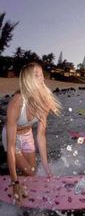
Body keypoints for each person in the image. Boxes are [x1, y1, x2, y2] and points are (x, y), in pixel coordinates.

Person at [1, 62, 61, 203]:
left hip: (27, 136)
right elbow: (10, 146)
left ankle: (24, 197)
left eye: (41, 75)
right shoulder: (17, 102)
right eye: (36, 75)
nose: (42, 79)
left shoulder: (44, 101)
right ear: (28, 79)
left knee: (32, 173)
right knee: (30, 171)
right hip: (12, 138)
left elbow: (40, 136)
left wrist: (47, 168)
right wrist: (14, 182)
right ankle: (17, 185)